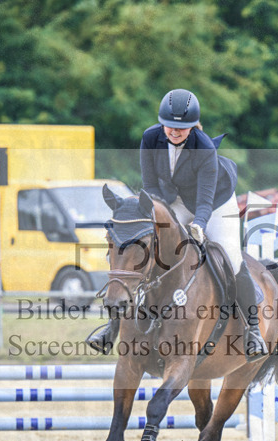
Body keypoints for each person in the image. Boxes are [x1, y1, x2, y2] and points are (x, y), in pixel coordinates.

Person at [87, 88, 268, 360]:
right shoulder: (150, 138)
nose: (174, 132)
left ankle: (252, 330)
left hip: (214, 204)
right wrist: (153, 217)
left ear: (193, 126)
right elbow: (150, 186)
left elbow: (205, 200)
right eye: (170, 126)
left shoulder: (204, 147)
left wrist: (199, 225)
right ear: (162, 123)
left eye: (181, 128)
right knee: (144, 254)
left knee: (231, 257)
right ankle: (111, 329)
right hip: (172, 201)